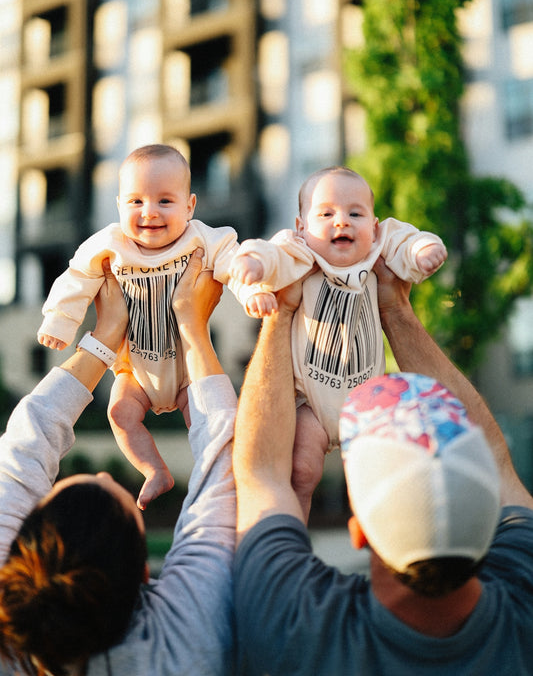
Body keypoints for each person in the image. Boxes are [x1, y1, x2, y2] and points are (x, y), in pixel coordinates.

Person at [232, 258, 533, 675]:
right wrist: (394, 309)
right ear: (489, 523)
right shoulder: (525, 596)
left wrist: (280, 312)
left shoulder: (298, 627)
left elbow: (261, 477)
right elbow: (498, 466)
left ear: (359, 533)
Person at [0, 249, 237, 676]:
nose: (108, 472)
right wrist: (193, 330)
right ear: (145, 576)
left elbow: (222, 471)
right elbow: (226, 470)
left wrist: (106, 334)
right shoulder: (185, 642)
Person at [230, 165, 447, 517]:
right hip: (311, 404)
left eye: (355, 213)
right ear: (301, 228)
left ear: (373, 227)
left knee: (378, 479)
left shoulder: (378, 249)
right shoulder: (299, 253)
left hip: (366, 400)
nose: (342, 221)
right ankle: (294, 538)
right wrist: (253, 271)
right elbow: (265, 254)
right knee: (302, 471)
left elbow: (407, 240)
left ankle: (381, 539)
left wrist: (424, 250)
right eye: (326, 213)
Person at [38, 143, 240, 509]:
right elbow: (77, 277)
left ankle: (211, 478)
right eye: (136, 202)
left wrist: (252, 288)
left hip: (188, 368)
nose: (150, 213)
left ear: (190, 206)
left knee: (207, 421)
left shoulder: (203, 240)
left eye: (165, 201)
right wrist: (60, 320)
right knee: (119, 414)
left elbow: (234, 260)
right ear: (118, 205)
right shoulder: (110, 245)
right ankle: (154, 471)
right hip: (134, 371)